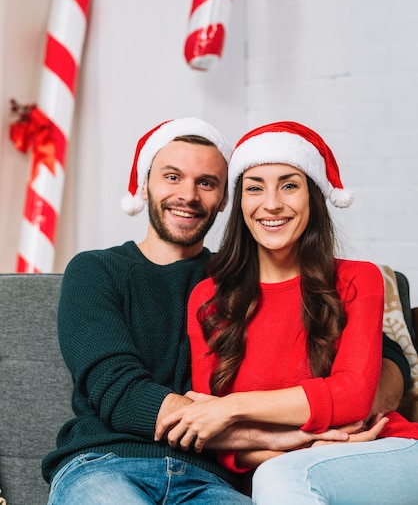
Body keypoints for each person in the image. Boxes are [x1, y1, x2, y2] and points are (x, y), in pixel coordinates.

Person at [43, 117, 362, 505]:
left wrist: (360, 404)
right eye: (172, 177)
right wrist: (270, 436)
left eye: (206, 183)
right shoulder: (95, 271)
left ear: (225, 199)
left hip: (208, 480)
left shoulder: (243, 280)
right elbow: (121, 393)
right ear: (145, 185)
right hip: (104, 463)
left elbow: (375, 354)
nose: (188, 195)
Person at [156, 121, 418, 504]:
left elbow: (353, 395)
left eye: (289, 185)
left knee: (279, 478)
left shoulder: (359, 279)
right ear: (240, 202)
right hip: (286, 473)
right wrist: (303, 445)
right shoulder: (208, 299)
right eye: (255, 187)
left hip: (382, 451)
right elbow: (213, 434)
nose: (272, 203)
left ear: (312, 197)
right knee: (279, 478)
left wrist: (230, 408)